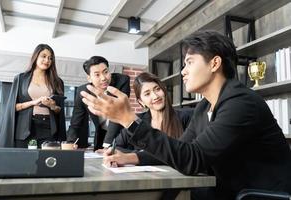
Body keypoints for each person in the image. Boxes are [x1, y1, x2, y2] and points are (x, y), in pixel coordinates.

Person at [80, 30, 291, 200]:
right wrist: (130, 157)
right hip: (226, 190)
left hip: (255, 194)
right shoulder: (203, 107)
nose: (183, 71)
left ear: (214, 63)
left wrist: (128, 120)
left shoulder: (241, 103)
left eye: (189, 62)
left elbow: (193, 159)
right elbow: (181, 149)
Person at [108, 72, 192, 166]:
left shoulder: (186, 117)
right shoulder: (137, 120)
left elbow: (181, 153)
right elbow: (115, 147)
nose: (155, 96)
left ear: (164, 90)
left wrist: (133, 156)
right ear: (141, 102)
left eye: (157, 89)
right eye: (147, 94)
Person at [0, 44, 66, 148]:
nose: (47, 60)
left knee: (47, 162)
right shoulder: (21, 78)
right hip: (24, 129)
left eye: (50, 58)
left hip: (49, 128)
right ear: (35, 57)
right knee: (23, 162)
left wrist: (52, 106)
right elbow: (12, 107)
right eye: (43, 56)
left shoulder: (57, 81)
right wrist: (33, 102)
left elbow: (59, 110)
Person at [67, 56, 130, 150]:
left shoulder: (121, 81)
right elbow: (76, 121)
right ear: (89, 78)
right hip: (102, 133)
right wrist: (70, 143)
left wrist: (107, 145)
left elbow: (118, 110)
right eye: (97, 75)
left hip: (122, 132)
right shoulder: (83, 91)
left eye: (106, 72)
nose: (103, 78)